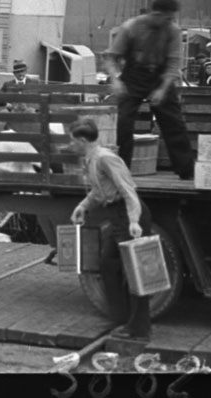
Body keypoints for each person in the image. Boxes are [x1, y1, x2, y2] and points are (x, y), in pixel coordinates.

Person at [69, 118, 153, 340]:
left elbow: (128, 190)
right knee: (108, 264)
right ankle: (123, 317)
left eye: (73, 141)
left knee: (135, 272)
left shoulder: (106, 158)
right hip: (117, 215)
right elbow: (99, 191)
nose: (71, 146)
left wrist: (134, 220)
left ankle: (139, 329)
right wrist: (83, 206)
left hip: (128, 213)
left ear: (83, 140)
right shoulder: (92, 159)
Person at [103, 0, 195, 179]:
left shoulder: (172, 31)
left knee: (174, 123)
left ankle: (186, 171)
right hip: (134, 75)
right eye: (168, 17)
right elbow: (112, 57)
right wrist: (116, 80)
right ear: (157, 14)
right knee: (123, 123)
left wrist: (162, 89)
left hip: (160, 76)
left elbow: (172, 64)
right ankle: (122, 172)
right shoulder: (131, 27)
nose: (171, 21)